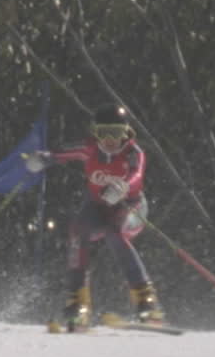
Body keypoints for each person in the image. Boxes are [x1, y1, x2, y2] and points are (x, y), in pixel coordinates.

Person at [25, 104, 164, 331]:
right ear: (95, 133)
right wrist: (41, 159)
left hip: (132, 208)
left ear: (126, 133)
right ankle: (78, 303)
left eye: (116, 132)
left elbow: (136, 174)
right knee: (78, 231)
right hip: (98, 208)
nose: (110, 139)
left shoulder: (133, 153)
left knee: (114, 232)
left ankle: (146, 301)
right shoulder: (90, 150)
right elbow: (60, 155)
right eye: (103, 132)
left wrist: (123, 186)